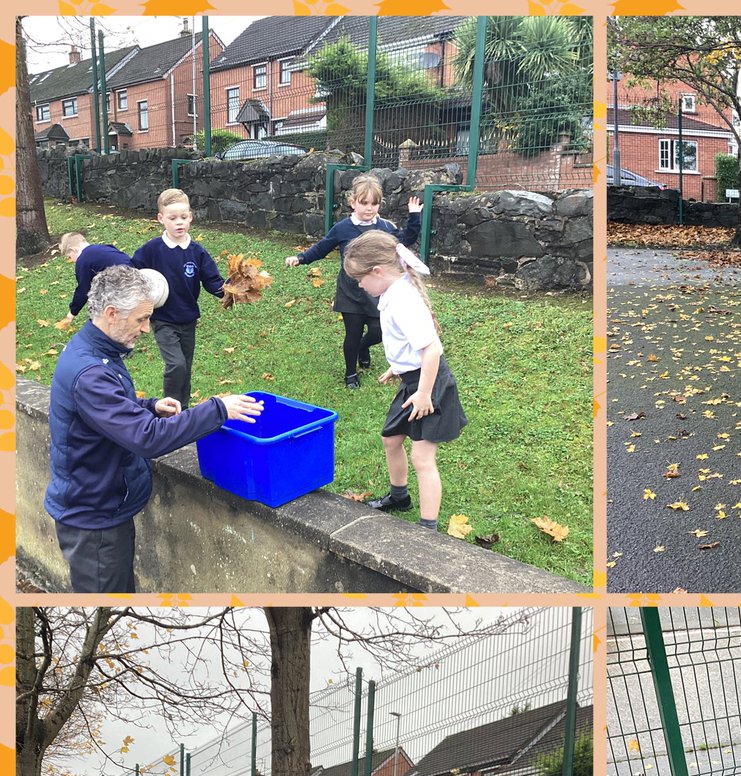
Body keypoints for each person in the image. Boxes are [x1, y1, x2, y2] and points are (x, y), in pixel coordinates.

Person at [45, 265, 264, 592]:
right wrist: (217, 410)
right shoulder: (90, 372)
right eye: (140, 320)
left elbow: (105, 413)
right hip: (94, 521)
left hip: (100, 508)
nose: (147, 329)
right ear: (111, 313)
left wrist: (149, 407)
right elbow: (147, 439)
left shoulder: (95, 350)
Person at [341, 230, 466, 531]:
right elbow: (409, 346)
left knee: (422, 457)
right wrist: (397, 368)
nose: (359, 285)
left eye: (360, 279)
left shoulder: (404, 301)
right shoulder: (392, 292)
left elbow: (432, 349)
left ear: (378, 271)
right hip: (413, 380)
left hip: (429, 385)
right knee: (391, 439)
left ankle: (428, 527)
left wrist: (424, 394)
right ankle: (400, 497)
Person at [284, 175, 423, 389]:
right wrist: (301, 258)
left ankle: (363, 348)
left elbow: (404, 241)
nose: (369, 208)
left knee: (378, 332)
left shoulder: (385, 227)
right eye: (364, 203)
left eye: (374, 203)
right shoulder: (342, 228)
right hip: (351, 291)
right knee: (353, 333)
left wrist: (414, 217)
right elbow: (322, 248)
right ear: (353, 202)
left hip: (377, 291)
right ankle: (350, 373)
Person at [130, 188, 226, 408]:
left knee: (186, 367)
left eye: (183, 217)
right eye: (172, 218)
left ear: (190, 216)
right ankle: (169, 408)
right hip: (163, 319)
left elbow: (212, 281)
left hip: (188, 319)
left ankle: (182, 410)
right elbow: (131, 272)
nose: (179, 223)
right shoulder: (152, 250)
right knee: (176, 365)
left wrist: (230, 291)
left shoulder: (197, 252)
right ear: (161, 219)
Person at [57, 231, 132, 327]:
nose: (71, 260)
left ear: (73, 250)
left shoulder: (83, 260)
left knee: (99, 305)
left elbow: (83, 290)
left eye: (70, 256)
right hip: (135, 278)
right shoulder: (105, 247)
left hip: (121, 286)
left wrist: (72, 313)